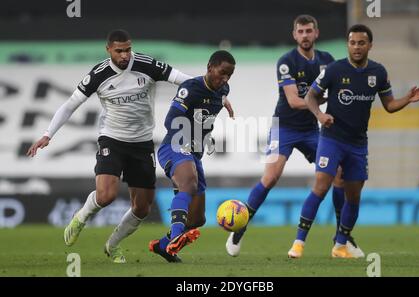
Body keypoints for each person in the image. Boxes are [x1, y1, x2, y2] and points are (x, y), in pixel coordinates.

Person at [26, 29, 234, 264]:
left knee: (142, 208)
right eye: (119, 51)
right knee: (106, 195)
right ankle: (81, 217)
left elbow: (184, 79)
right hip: (112, 139)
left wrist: (218, 95)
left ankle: (113, 245)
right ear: (108, 50)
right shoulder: (99, 74)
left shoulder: (146, 65)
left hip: (142, 143)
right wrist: (47, 134)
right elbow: (70, 105)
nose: (125, 55)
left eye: (128, 50)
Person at [225, 15, 364, 259]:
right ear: (294, 35)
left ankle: (342, 238)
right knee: (271, 176)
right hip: (285, 127)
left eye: (309, 31)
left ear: (316, 33)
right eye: (300, 32)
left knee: (340, 174)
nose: (305, 36)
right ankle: (241, 226)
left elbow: (339, 93)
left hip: (311, 130)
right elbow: (292, 100)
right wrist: (319, 107)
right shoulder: (286, 61)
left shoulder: (327, 62)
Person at [289, 24, 419, 258]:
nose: (357, 47)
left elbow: (389, 105)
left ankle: (341, 244)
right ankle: (299, 242)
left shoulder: (378, 73)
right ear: (348, 45)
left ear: (370, 45)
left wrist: (408, 99)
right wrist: (320, 115)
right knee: (321, 186)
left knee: (354, 196)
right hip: (332, 139)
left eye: (361, 43)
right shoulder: (334, 69)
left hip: (358, 144)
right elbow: (311, 96)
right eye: (353, 43)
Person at [148, 50, 235, 262]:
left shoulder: (223, 88)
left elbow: (218, 97)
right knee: (189, 183)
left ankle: (162, 245)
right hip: (175, 146)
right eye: (222, 73)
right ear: (209, 67)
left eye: (229, 75)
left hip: (195, 154)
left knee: (197, 218)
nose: (224, 78)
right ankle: (176, 236)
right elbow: (170, 120)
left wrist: (225, 102)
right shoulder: (190, 89)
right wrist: (188, 136)